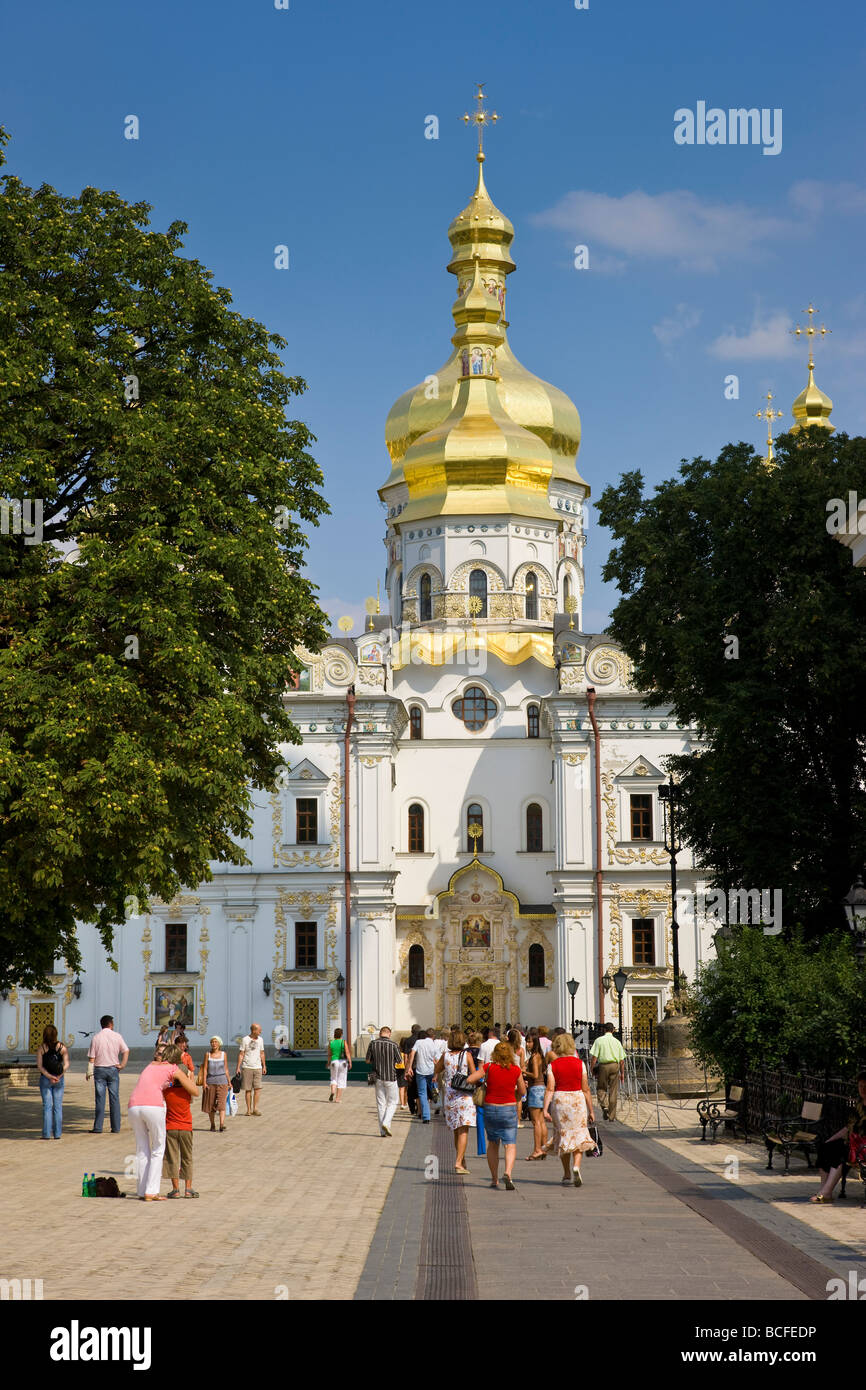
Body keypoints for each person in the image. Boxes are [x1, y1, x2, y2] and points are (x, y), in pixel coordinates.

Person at [128, 1044, 198, 1200]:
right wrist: (185, 1078)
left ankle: (141, 1190)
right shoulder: (173, 1068)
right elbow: (195, 1091)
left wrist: (171, 1084)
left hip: (133, 1105)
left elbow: (162, 1083)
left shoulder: (150, 1066)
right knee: (158, 1149)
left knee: (142, 1149)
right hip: (152, 1106)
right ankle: (151, 1191)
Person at [465, 1040, 526, 1190]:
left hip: (491, 1108)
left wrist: (483, 1084)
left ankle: (494, 1178)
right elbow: (523, 1091)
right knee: (510, 1144)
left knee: (493, 1143)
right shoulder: (515, 1069)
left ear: (495, 1054)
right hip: (509, 1108)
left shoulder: (489, 1067)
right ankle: (508, 1173)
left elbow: (470, 1079)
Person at [544, 1032, 596, 1187]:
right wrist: (591, 1110)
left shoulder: (552, 1065)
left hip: (560, 1101)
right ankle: (576, 1166)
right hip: (577, 1100)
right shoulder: (580, 1064)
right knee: (578, 1134)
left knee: (564, 1136)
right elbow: (586, 1089)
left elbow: (550, 1088)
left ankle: (566, 1174)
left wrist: (545, 1108)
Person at [810, 1071, 866, 1203]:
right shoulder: (858, 1105)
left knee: (842, 1153)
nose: (863, 1089)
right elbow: (848, 1127)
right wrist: (832, 1138)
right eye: (860, 1086)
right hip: (853, 1143)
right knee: (826, 1148)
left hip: (863, 1147)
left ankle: (826, 1192)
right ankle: (824, 1191)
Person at [435, 1029, 476, 1173]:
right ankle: (458, 1162)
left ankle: (462, 1159)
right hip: (464, 1096)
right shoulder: (467, 1055)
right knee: (463, 1130)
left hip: (450, 1096)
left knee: (456, 1130)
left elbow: (437, 1069)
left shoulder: (445, 1056)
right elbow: (473, 1073)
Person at [164, 1047, 199, 1198]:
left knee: (172, 1158)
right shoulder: (187, 1092)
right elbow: (193, 1093)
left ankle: (175, 1189)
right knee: (187, 1157)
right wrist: (190, 1078)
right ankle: (188, 1189)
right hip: (185, 1127)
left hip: (170, 1127)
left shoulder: (167, 1091)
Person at [87, 1015, 130, 1133]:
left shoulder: (96, 1038)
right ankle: (116, 1127)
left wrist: (89, 1072)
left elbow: (91, 1058)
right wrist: (122, 1065)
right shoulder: (117, 1036)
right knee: (114, 1098)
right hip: (113, 1069)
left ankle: (98, 1127)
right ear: (110, 1024)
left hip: (100, 1069)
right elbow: (126, 1050)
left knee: (100, 1098)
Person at [366, 1026, 403, 1136]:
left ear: (380, 1033)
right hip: (391, 1077)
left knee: (381, 1103)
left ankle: (382, 1131)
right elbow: (400, 1061)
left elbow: (367, 1060)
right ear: (389, 1034)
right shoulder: (394, 1045)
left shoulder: (373, 1044)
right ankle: (386, 1123)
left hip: (377, 1077)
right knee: (393, 1102)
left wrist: (375, 1060)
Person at [36, 1024, 69, 1139]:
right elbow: (67, 1064)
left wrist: (49, 1076)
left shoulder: (42, 1048)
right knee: (58, 1107)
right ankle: (57, 1133)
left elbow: (40, 1066)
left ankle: (46, 1134)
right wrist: (59, 1076)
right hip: (59, 1079)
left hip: (45, 1079)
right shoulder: (62, 1047)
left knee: (47, 1106)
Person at [589, 1023, 626, 1121]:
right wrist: (622, 1073)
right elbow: (622, 1060)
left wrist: (591, 1068)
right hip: (615, 1065)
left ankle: (604, 1106)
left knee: (601, 1087)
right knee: (613, 1090)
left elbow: (594, 1057)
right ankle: (612, 1116)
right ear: (613, 1030)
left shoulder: (599, 1040)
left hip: (603, 1066)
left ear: (604, 1030)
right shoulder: (617, 1042)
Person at [523, 1032, 548, 1160]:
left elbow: (535, 1074)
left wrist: (523, 1071)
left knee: (536, 1122)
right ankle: (543, 1148)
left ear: (535, 1043)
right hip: (542, 1088)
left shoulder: (534, 1057)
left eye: (530, 1042)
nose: (527, 1044)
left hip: (535, 1089)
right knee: (541, 1121)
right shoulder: (539, 1056)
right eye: (527, 1041)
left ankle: (537, 1149)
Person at [406, 1029, 439, 1123]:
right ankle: (436, 1100)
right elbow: (437, 1061)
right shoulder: (433, 1044)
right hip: (431, 1070)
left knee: (422, 1093)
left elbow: (412, 1053)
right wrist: (436, 1074)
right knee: (433, 1089)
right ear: (433, 1036)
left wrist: (409, 1068)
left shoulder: (419, 1042)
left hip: (420, 1071)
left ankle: (426, 1116)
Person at [237, 1023, 267, 1116]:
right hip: (247, 1067)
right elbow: (241, 1054)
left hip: (258, 1067)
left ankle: (255, 1108)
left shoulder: (261, 1040)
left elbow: (262, 1053)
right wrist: (238, 1067)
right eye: (259, 1030)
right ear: (254, 1030)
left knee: (257, 1088)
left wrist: (264, 1065)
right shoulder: (245, 1040)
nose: (260, 1032)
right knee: (248, 1089)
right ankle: (248, 1110)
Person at [202, 1035, 230, 1132]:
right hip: (210, 1082)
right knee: (211, 1104)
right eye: (212, 1042)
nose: (214, 1044)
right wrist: (204, 1082)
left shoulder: (223, 1054)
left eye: (215, 1042)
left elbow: (226, 1069)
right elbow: (205, 1069)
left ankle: (222, 1124)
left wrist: (229, 1082)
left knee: (222, 1104)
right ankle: (212, 1124)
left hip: (222, 1081)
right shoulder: (207, 1054)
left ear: (219, 1043)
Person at [328, 1027, 351, 1102]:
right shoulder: (343, 1042)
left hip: (334, 1061)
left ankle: (332, 1091)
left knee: (333, 1078)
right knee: (341, 1079)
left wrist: (328, 1062)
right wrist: (350, 1061)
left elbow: (329, 1054)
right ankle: (337, 1099)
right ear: (341, 1034)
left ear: (334, 1034)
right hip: (343, 1062)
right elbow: (347, 1052)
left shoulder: (331, 1042)